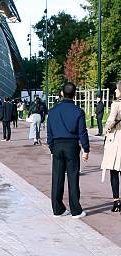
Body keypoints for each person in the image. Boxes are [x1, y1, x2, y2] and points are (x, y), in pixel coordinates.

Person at [47, 81, 90, 218]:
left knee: (57, 177)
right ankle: (76, 210)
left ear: (61, 93)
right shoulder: (79, 111)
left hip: (57, 145)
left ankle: (57, 208)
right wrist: (86, 148)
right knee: (73, 177)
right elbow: (82, 132)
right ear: (75, 94)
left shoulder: (52, 111)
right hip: (72, 145)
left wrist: (52, 147)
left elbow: (49, 132)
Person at [101, 81, 121, 212]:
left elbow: (110, 121)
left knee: (114, 170)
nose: (115, 91)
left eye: (117, 89)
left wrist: (107, 128)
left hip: (117, 139)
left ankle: (116, 202)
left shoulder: (116, 104)